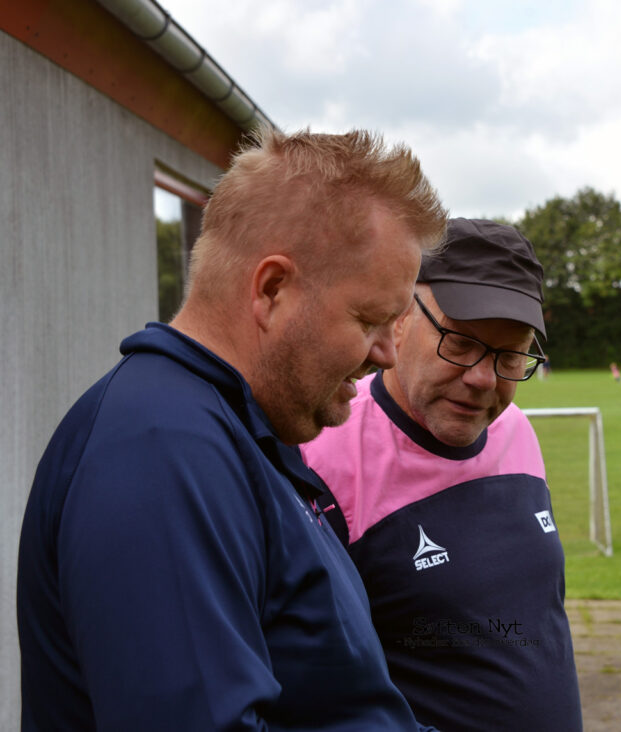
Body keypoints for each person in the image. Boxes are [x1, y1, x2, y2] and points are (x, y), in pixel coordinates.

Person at [17, 128, 448, 731]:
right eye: (370, 319)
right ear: (273, 289)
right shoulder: (161, 453)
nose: (386, 355)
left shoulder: (233, 432)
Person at [302, 218, 584, 732]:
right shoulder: (323, 458)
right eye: (459, 342)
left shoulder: (516, 430)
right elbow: (308, 686)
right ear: (400, 318)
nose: (482, 378)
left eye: (510, 354)